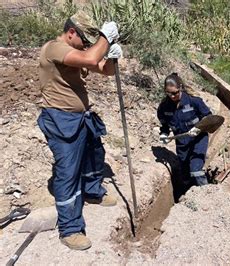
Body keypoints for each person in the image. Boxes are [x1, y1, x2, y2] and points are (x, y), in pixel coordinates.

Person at [36, 11, 122, 250]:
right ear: (71, 32)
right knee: (68, 171)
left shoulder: (76, 52)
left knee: (94, 156)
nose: (86, 45)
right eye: (84, 40)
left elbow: (103, 69)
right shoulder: (55, 49)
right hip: (60, 119)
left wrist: (113, 58)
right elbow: (92, 59)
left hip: (81, 117)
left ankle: (92, 191)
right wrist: (105, 38)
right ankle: (70, 229)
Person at [157, 73, 211, 188]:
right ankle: (187, 194)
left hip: (198, 139)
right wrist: (164, 134)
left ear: (180, 88)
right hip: (182, 143)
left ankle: (207, 193)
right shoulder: (164, 107)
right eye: (168, 93)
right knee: (185, 174)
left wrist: (198, 128)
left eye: (174, 93)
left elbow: (209, 118)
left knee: (195, 169)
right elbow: (164, 125)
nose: (172, 96)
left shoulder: (194, 101)